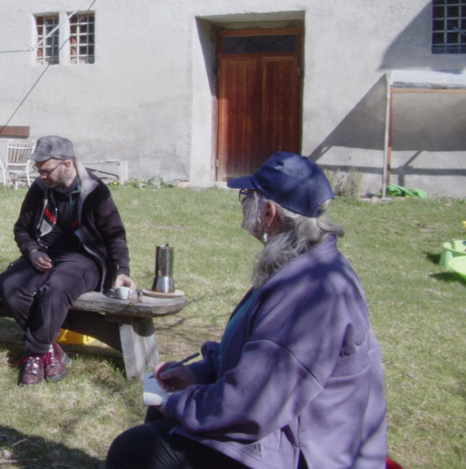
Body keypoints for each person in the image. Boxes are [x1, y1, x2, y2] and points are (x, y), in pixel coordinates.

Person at [105, 152, 388, 469]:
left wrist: (182, 402)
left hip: (307, 449)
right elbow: (252, 354)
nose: (242, 203)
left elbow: (253, 403)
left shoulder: (310, 292)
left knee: (134, 451)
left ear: (268, 212)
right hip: (280, 421)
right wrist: (200, 374)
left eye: (246, 195)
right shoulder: (302, 262)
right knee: (158, 408)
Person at [0, 135, 135, 386]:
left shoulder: (94, 190)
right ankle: (50, 349)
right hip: (46, 253)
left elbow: (115, 235)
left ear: (66, 165)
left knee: (55, 290)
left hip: (84, 259)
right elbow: (22, 229)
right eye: (38, 170)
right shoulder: (40, 188)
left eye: (46, 171)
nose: (41, 176)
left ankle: (36, 354)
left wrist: (121, 270)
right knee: (10, 284)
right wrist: (32, 251)